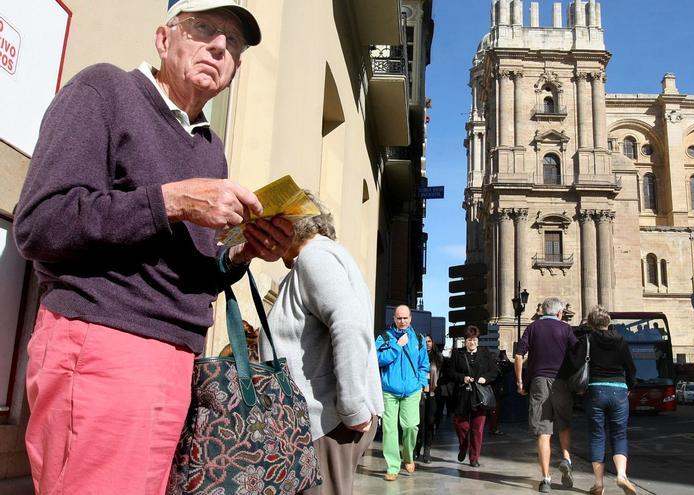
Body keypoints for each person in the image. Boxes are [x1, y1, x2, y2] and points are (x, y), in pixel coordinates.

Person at [12, 2, 293, 493]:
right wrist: (171, 201)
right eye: (204, 28)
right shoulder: (104, 90)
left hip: (178, 358)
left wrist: (244, 252)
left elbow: (190, 274)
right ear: (164, 40)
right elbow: (40, 224)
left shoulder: (211, 147)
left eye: (234, 43)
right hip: (103, 340)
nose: (220, 46)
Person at [263, 191, 383, 495]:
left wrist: (353, 408)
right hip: (320, 422)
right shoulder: (319, 258)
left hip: (322, 422)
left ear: (292, 226)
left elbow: (349, 323)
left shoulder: (315, 257)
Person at [515, 297, 578, 493]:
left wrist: (519, 381)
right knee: (564, 424)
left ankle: (545, 479)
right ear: (559, 313)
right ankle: (566, 458)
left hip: (539, 382)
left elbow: (518, 356)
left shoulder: (532, 328)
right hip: (562, 381)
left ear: (543, 312)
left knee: (544, 431)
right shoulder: (566, 329)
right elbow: (577, 353)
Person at [574, 306, 638, 495]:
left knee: (597, 435)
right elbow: (631, 368)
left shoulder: (587, 339)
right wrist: (630, 386)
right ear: (608, 322)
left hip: (595, 390)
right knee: (619, 434)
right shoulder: (620, 340)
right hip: (618, 389)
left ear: (592, 323)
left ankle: (599, 484)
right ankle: (621, 475)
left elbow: (576, 363)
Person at [375, 305, 429, 481]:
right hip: (390, 390)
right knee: (389, 429)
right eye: (399, 318)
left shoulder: (419, 339)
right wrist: (397, 346)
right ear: (394, 319)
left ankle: (408, 455)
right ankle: (393, 465)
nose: (403, 321)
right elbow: (377, 359)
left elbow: (423, 365)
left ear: (411, 318)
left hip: (412, 390)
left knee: (411, 426)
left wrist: (421, 384)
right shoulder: (384, 337)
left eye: (405, 318)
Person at [448, 325, 498, 467]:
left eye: (475, 340)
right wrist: (462, 378)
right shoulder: (458, 353)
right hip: (463, 395)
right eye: (470, 340)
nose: (472, 343)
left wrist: (485, 378)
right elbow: (451, 372)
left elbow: (494, 371)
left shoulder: (485, 353)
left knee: (477, 429)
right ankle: (463, 445)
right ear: (465, 341)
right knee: (460, 424)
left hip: (480, 396)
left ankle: (474, 457)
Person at [413, 335, 442, 464]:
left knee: (430, 423)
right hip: (418, 393)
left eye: (429, 341)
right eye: (425, 342)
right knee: (418, 423)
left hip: (433, 394)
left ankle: (427, 451)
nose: (427, 343)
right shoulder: (416, 356)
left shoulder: (439, 358)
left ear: (433, 342)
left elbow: (443, 377)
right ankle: (417, 448)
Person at [487, 349, 513, 435]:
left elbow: (510, 367)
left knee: (492, 411)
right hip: (495, 391)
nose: (493, 356)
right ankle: (493, 428)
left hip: (489, 391)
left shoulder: (488, 364)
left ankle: (492, 427)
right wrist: (505, 357)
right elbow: (510, 367)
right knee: (495, 410)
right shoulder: (499, 366)